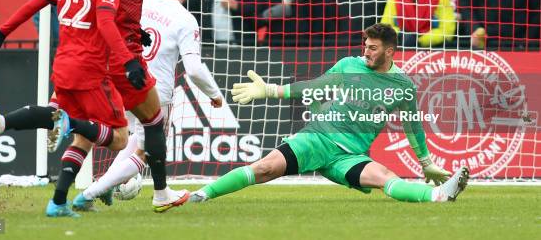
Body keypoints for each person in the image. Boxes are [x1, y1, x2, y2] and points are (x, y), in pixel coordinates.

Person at [190, 23, 469, 204]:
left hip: (349, 156)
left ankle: (439, 195)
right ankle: (200, 195)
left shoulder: (403, 86)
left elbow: (412, 126)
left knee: (384, 175)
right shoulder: (349, 65)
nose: (366, 52)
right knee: (263, 168)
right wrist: (270, 90)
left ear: (390, 52)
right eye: (365, 46)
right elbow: (313, 87)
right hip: (318, 137)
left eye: (373, 48)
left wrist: (426, 161)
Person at [0, 0, 141, 217]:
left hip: (63, 66)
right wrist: (128, 61)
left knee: (80, 133)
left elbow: (33, 4)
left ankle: (55, 198)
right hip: (90, 72)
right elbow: (104, 23)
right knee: (119, 137)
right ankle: (69, 123)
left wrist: (2, 31)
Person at [74, 0, 224, 207]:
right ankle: (88, 194)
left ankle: (105, 187)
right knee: (143, 152)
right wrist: (215, 94)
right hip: (155, 93)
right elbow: (194, 69)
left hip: (123, 81)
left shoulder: (144, 5)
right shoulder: (186, 20)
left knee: (134, 142)